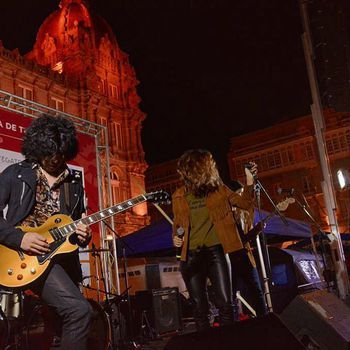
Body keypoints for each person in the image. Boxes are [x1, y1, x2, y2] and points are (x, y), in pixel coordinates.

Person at [0, 114, 93, 350]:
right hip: (25, 257)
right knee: (79, 311)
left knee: (60, 325)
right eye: (48, 152)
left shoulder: (73, 184)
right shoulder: (16, 174)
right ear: (38, 148)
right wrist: (20, 238)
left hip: (63, 261)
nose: (54, 159)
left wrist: (84, 235)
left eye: (60, 153)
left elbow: (75, 226)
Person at [172, 149, 256, 331]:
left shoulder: (219, 190)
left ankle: (227, 343)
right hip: (191, 256)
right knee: (199, 309)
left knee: (226, 303)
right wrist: (176, 239)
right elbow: (178, 225)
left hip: (215, 252)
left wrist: (250, 181)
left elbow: (246, 204)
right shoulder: (178, 195)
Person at [230, 180, 267, 320]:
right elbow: (239, 239)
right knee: (231, 296)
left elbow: (245, 238)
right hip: (231, 258)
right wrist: (256, 230)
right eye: (238, 194)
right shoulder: (227, 216)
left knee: (257, 291)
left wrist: (255, 229)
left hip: (245, 256)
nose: (241, 197)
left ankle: (264, 320)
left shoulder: (243, 214)